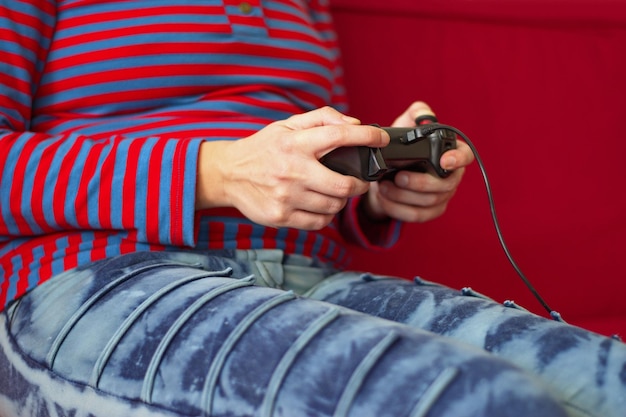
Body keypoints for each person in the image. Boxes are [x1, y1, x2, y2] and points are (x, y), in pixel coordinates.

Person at [0, 1, 624, 417]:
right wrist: (215, 172)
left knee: (611, 381)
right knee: (482, 401)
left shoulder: (307, 8)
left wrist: (375, 193)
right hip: (101, 279)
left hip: (308, 274)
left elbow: (305, 168)